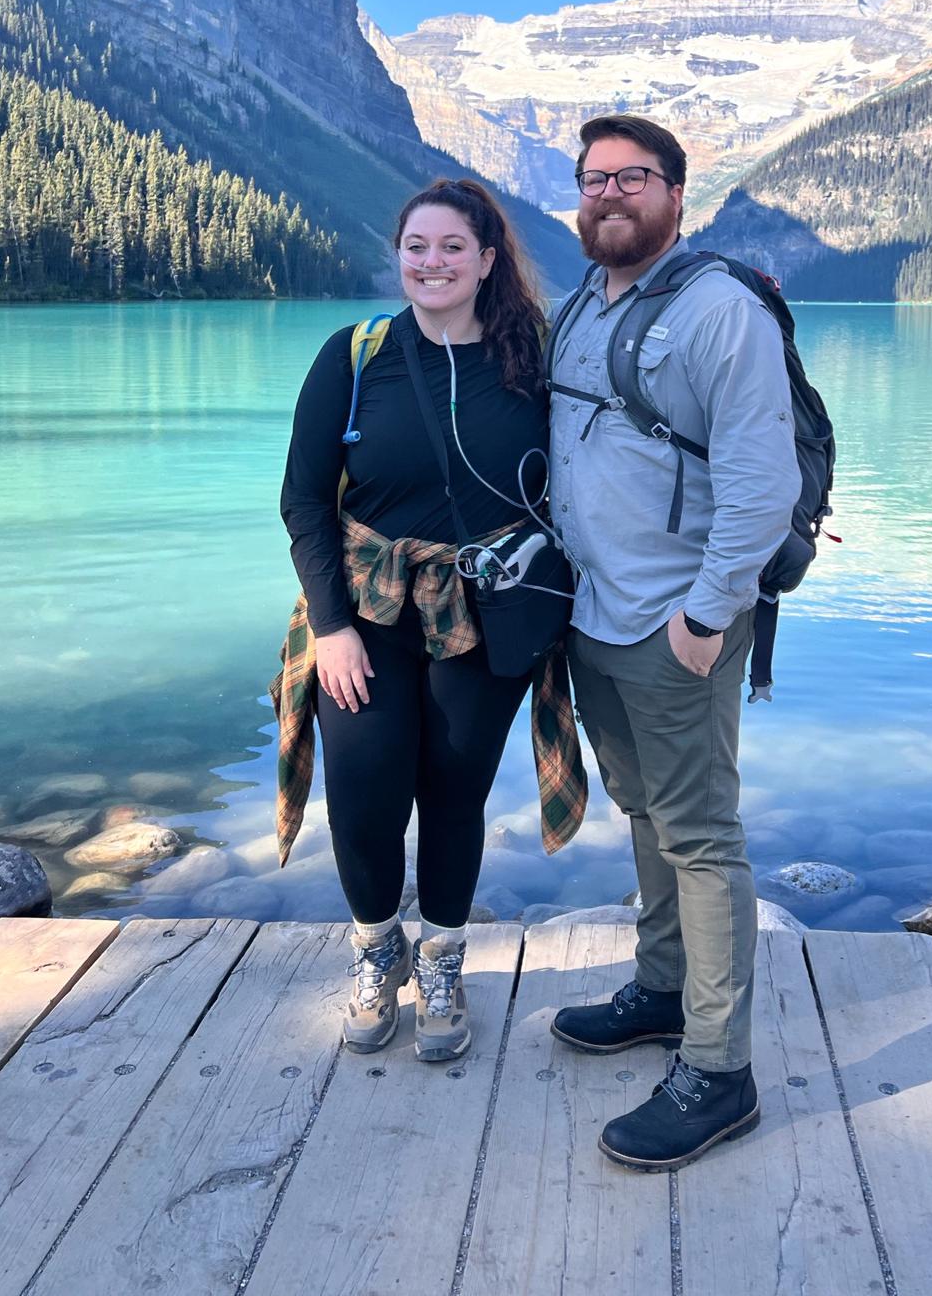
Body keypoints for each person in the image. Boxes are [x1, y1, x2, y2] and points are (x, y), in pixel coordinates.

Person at [546, 115, 801, 1170]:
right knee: (645, 811)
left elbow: (762, 483)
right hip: (591, 616)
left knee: (700, 835)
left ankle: (718, 1069)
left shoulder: (718, 310)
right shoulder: (580, 303)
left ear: (676, 195)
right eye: (592, 179)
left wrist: (707, 613)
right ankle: (661, 989)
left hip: (675, 624)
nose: (609, 194)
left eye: (632, 177)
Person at [275, 178, 551, 1062]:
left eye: (451, 247)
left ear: (487, 259)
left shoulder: (533, 360)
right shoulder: (354, 356)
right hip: (364, 614)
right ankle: (373, 950)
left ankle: (440, 962)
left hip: (488, 612)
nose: (431, 263)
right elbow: (303, 501)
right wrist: (330, 627)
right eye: (415, 247)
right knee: (363, 799)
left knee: (454, 797)